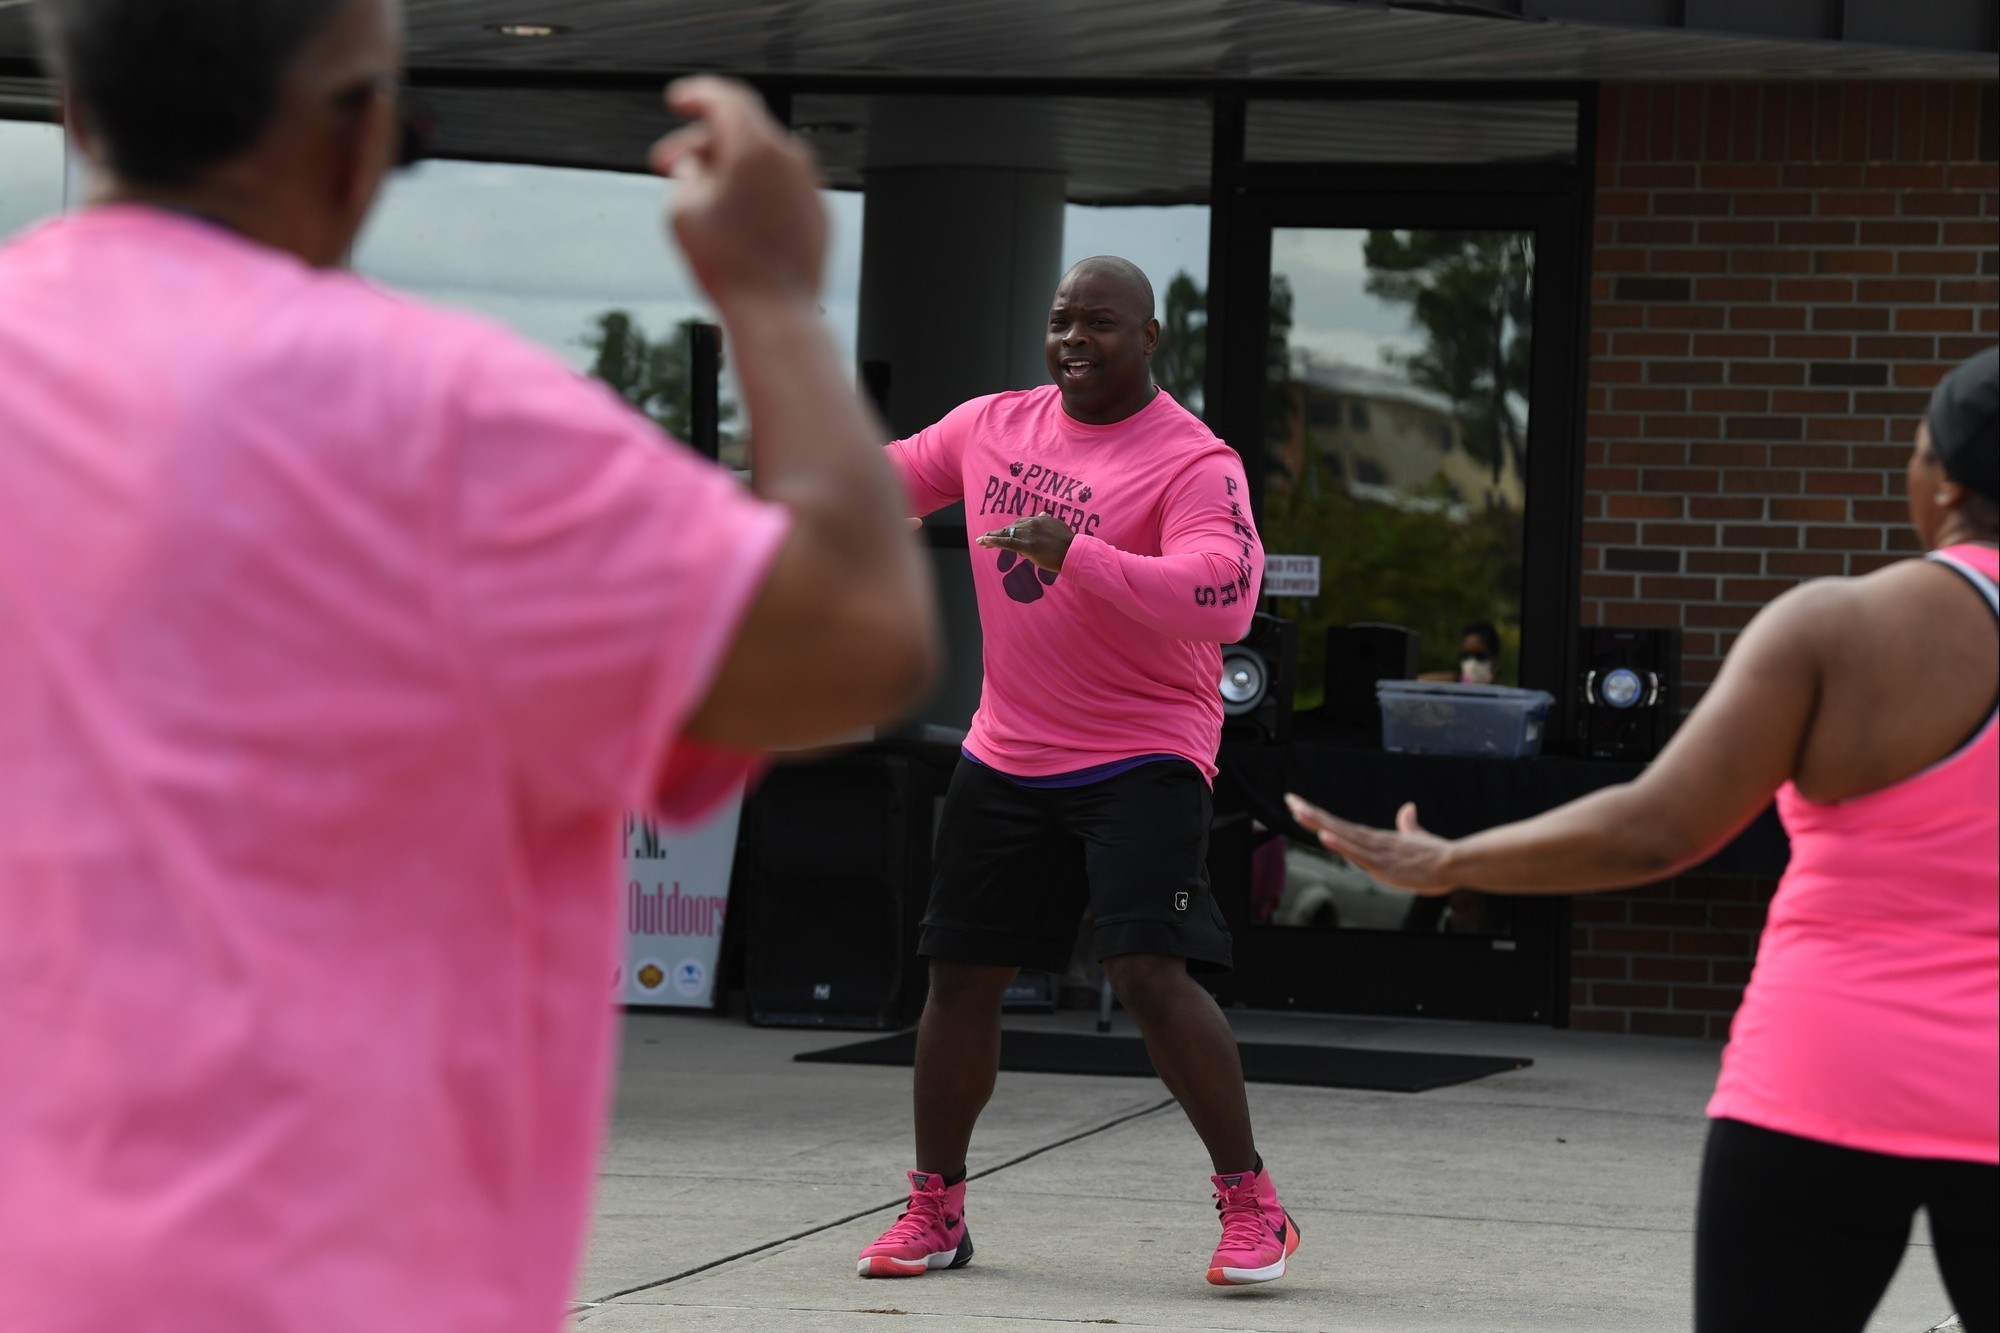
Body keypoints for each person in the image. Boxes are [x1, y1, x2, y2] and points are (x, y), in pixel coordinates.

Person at [0, 2, 937, 1330]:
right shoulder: (440, 422)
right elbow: (853, 637)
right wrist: (775, 294)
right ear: (359, 130)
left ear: (82, 116)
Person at [1289, 348, 2000, 1333]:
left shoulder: (1837, 627)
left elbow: (1654, 829)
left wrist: (1448, 861)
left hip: (1823, 1075)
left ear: (1946, 480)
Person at [856, 256, 1299, 1288]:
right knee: (960, 976)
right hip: (1007, 748)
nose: (1073, 341)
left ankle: (1251, 1205)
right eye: (1061, 321)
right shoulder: (990, 427)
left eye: (1100, 323)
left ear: (1148, 336)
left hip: (1143, 749)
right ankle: (936, 1208)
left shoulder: (1193, 461)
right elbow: (880, 478)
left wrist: (1078, 553)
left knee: (1146, 971)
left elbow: (1222, 598)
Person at [1417, 619, 1501, 684]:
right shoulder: (1450, 683)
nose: (1472, 663)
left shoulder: (1504, 698)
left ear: (1495, 660)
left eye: (1480, 656)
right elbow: (1410, 683)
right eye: (1465, 656)